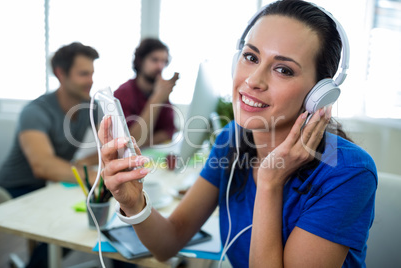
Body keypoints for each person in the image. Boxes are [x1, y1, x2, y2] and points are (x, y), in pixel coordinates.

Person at [98, 1, 377, 267]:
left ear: (319, 94)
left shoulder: (348, 172)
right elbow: (168, 243)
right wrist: (135, 204)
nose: (253, 80)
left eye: (283, 69)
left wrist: (269, 182)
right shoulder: (232, 139)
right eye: (251, 56)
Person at [0, 42, 101, 199]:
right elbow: (43, 166)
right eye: (83, 74)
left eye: (92, 74)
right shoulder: (35, 111)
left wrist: (86, 161)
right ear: (60, 73)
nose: (91, 81)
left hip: (52, 187)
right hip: (15, 192)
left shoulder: (90, 106)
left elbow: (110, 146)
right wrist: (94, 175)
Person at [114, 38, 179, 147]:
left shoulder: (162, 93)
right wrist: (156, 99)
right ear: (140, 61)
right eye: (154, 60)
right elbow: (131, 141)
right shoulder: (123, 94)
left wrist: (144, 143)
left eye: (164, 61)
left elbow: (168, 132)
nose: (160, 66)